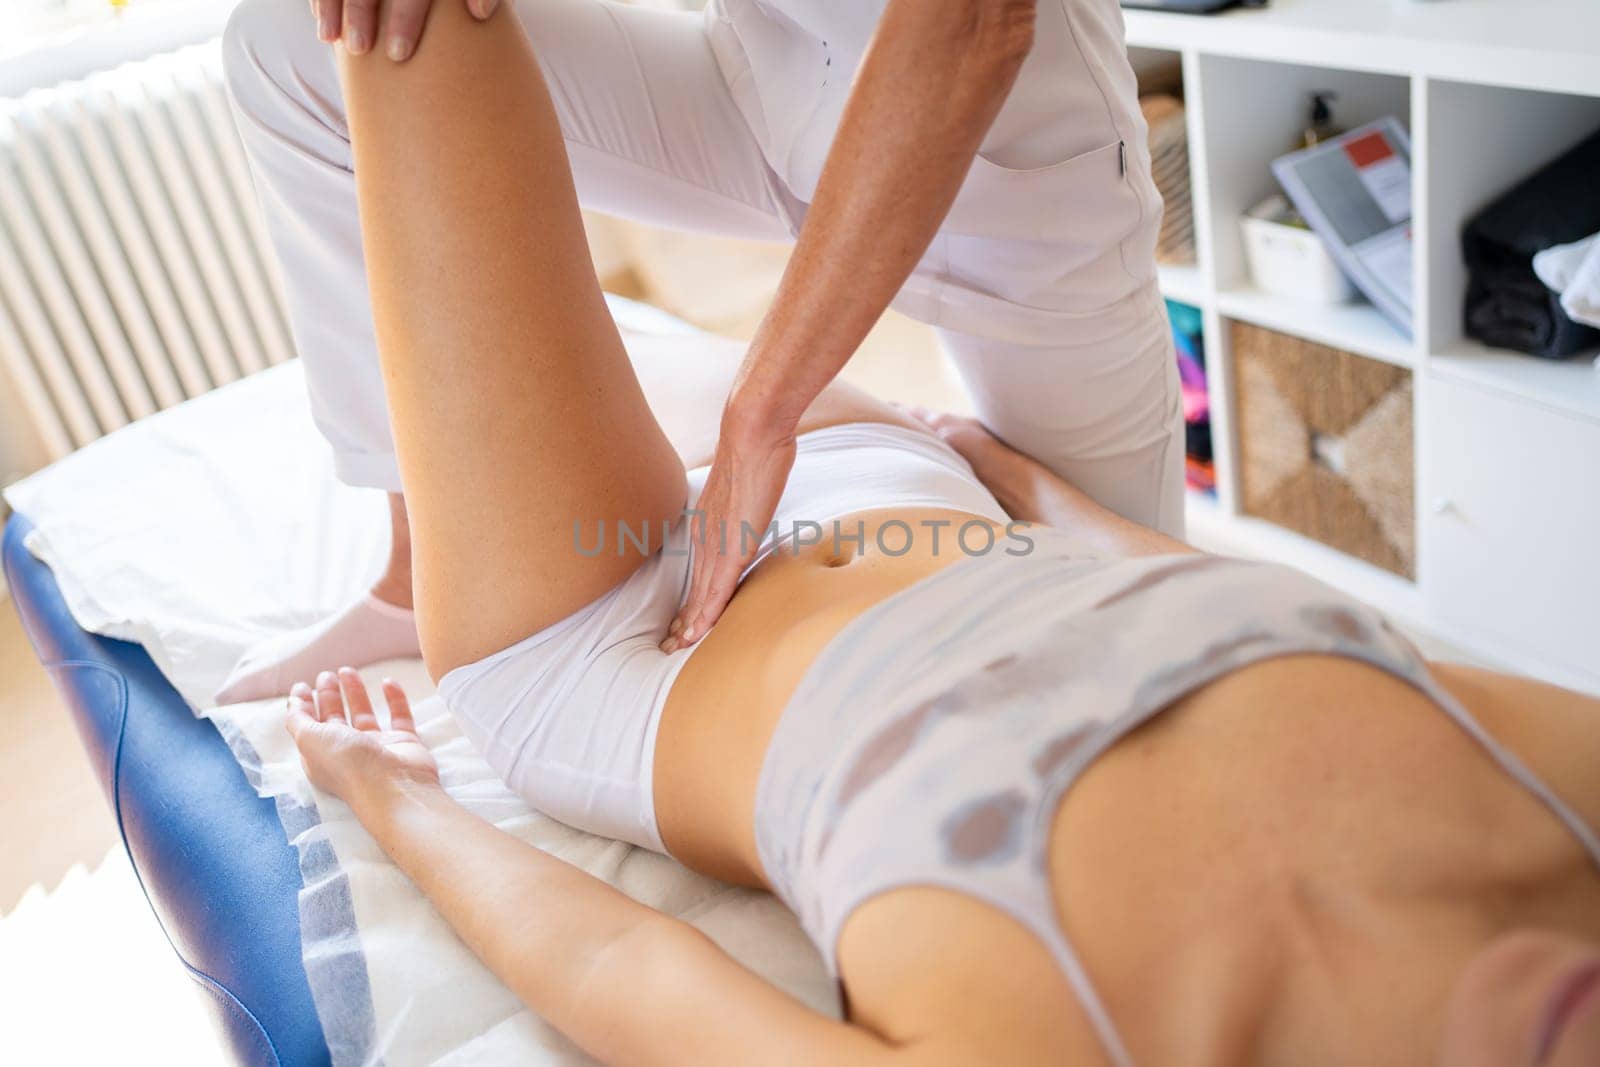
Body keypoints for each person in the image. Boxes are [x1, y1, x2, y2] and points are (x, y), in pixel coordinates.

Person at [278, 9, 1599, 1063]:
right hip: (921, 484)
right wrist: (1063, 512)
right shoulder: (1562, 782)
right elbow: (1243, 614)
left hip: (606, 643)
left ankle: (531, 489)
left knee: (392, 30)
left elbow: (620, 967)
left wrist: (391, 792)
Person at [214, 0, 1183, 703]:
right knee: (296, 37)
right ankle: (411, 566)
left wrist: (761, 416)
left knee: (1137, 633)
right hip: (763, 92)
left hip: (1007, 165)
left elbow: (974, 25)